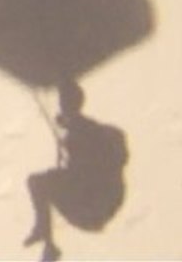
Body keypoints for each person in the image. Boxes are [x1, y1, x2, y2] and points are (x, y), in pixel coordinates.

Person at [25, 81, 128, 261]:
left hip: (89, 203)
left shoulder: (85, 132)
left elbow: (82, 137)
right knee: (40, 182)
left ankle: (46, 235)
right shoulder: (89, 130)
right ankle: (47, 239)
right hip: (97, 208)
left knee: (38, 183)